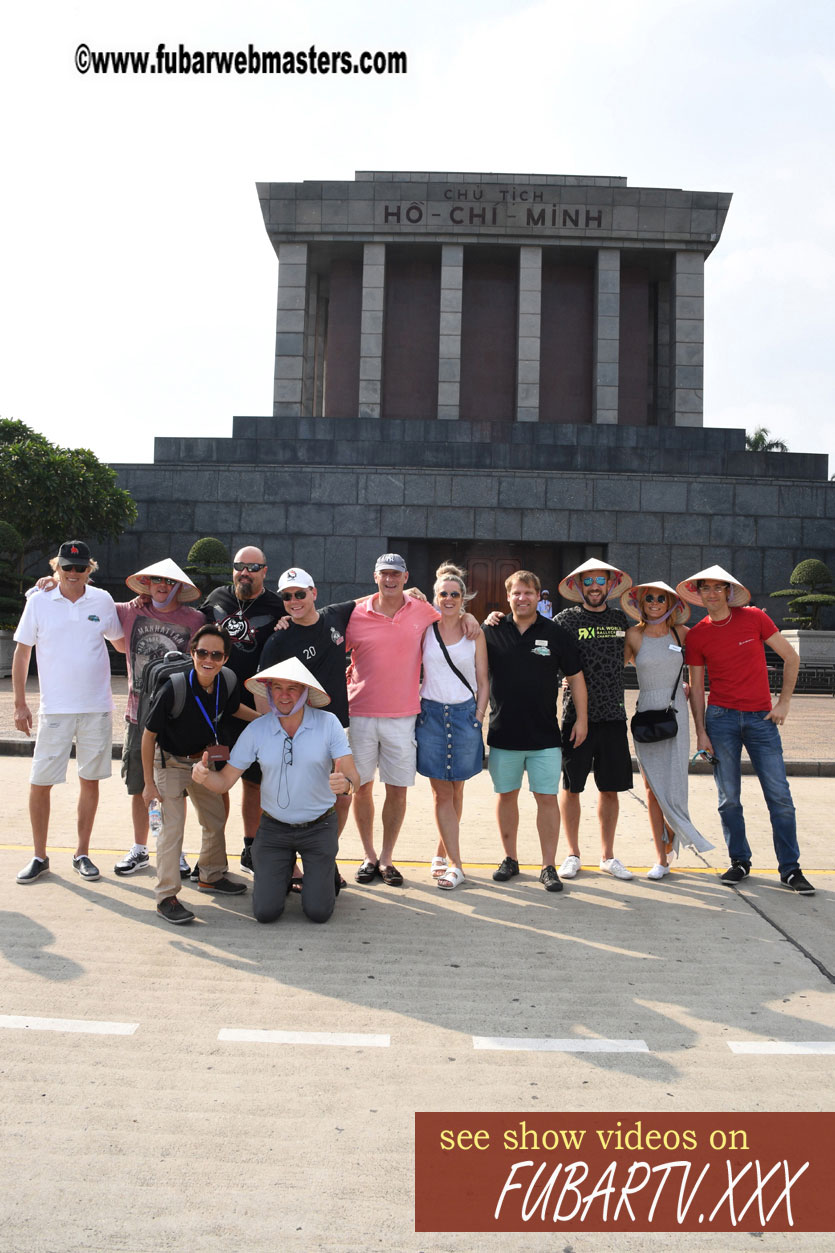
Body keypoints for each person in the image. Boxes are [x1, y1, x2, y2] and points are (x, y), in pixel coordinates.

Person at [28, 557, 207, 878]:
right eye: (155, 581)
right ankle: (140, 848)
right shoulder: (127, 611)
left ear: (179, 587)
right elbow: (82, 595)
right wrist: (53, 581)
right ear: (147, 586)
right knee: (140, 786)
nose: (162, 587)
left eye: (168, 583)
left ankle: (174, 849)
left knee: (174, 788)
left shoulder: (194, 619)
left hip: (178, 717)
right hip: (138, 716)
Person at [678, 564, 814, 894]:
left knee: (779, 796)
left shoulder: (754, 618)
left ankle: (790, 869)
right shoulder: (697, 635)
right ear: (698, 594)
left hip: (760, 719)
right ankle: (739, 861)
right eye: (704, 588)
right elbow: (697, 688)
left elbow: (791, 657)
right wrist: (701, 731)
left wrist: (783, 703)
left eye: (717, 587)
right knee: (729, 800)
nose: (711, 593)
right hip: (720, 720)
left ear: (728, 591)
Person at [192, 658, 360, 924]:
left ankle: (322, 871)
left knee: (318, 912)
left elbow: (353, 776)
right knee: (265, 913)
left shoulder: (329, 723)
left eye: (292, 688)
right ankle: (282, 872)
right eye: (277, 687)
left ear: (305, 692)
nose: (284, 695)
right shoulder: (257, 729)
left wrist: (347, 785)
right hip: (274, 829)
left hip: (319, 827)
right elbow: (224, 782)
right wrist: (203, 777)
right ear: (268, 691)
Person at [13, 540, 124, 884]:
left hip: (97, 707)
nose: (74, 574)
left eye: (80, 568)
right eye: (67, 567)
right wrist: (19, 704)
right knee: (40, 783)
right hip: (54, 709)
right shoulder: (39, 600)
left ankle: (82, 853)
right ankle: (39, 856)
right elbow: (22, 652)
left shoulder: (103, 600)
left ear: (89, 569)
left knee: (89, 782)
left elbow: (120, 641)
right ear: (55, 568)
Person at [142, 624, 259, 924]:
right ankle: (166, 896)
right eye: (202, 652)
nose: (209, 659)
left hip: (203, 763)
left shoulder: (226, 681)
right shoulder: (175, 687)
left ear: (226, 658)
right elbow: (148, 736)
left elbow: (234, 709)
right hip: (169, 763)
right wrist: (148, 785)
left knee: (214, 817)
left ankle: (210, 875)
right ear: (192, 653)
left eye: (216, 654)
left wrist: (263, 720)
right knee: (172, 829)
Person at [482, 570, 588, 893]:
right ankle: (510, 859)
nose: (522, 598)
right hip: (504, 733)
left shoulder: (555, 633)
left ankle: (548, 865)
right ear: (508, 596)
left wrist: (582, 719)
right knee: (506, 797)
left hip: (545, 737)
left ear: (538, 596)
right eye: (516, 593)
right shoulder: (491, 630)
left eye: (528, 592)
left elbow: (578, 679)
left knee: (547, 799)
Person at [344, 553, 443, 887]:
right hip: (359, 713)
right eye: (384, 574)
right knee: (361, 789)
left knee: (397, 791)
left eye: (396, 574)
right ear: (375, 577)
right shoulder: (355, 614)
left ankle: (387, 858)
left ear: (406, 577)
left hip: (402, 716)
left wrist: (476, 620)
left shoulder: (423, 611)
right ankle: (368, 856)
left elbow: (454, 623)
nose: (390, 579)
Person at [200, 546, 284, 870]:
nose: (245, 572)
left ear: (264, 571)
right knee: (216, 780)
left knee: (253, 782)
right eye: (239, 566)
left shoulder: (276, 606)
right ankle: (214, 852)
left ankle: (251, 847)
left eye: (253, 567)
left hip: (256, 713)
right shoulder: (217, 598)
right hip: (217, 712)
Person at [623, 580, 713, 879]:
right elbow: (611, 667)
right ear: (639, 602)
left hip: (676, 713)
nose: (654, 603)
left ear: (672, 604)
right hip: (647, 712)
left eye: (661, 599)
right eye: (649, 598)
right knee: (651, 788)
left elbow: (710, 650)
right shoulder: (633, 635)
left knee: (674, 784)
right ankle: (661, 857)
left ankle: (673, 833)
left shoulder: (682, 633)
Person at [554, 559, 636, 881]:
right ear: (578, 587)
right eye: (587, 581)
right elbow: (538, 639)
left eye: (599, 580)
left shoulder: (620, 620)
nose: (594, 587)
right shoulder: (565, 620)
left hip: (614, 716)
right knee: (572, 787)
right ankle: (572, 853)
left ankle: (608, 856)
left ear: (610, 584)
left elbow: (646, 646)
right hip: (576, 719)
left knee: (611, 790)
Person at [416, 565, 489, 890]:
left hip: (464, 717)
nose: (448, 599)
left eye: (454, 594)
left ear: (464, 599)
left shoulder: (475, 631)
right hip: (430, 715)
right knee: (440, 791)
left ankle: (441, 851)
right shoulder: (424, 628)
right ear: (435, 597)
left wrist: (479, 715)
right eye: (443, 594)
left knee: (457, 788)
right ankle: (457, 866)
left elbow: (483, 680)